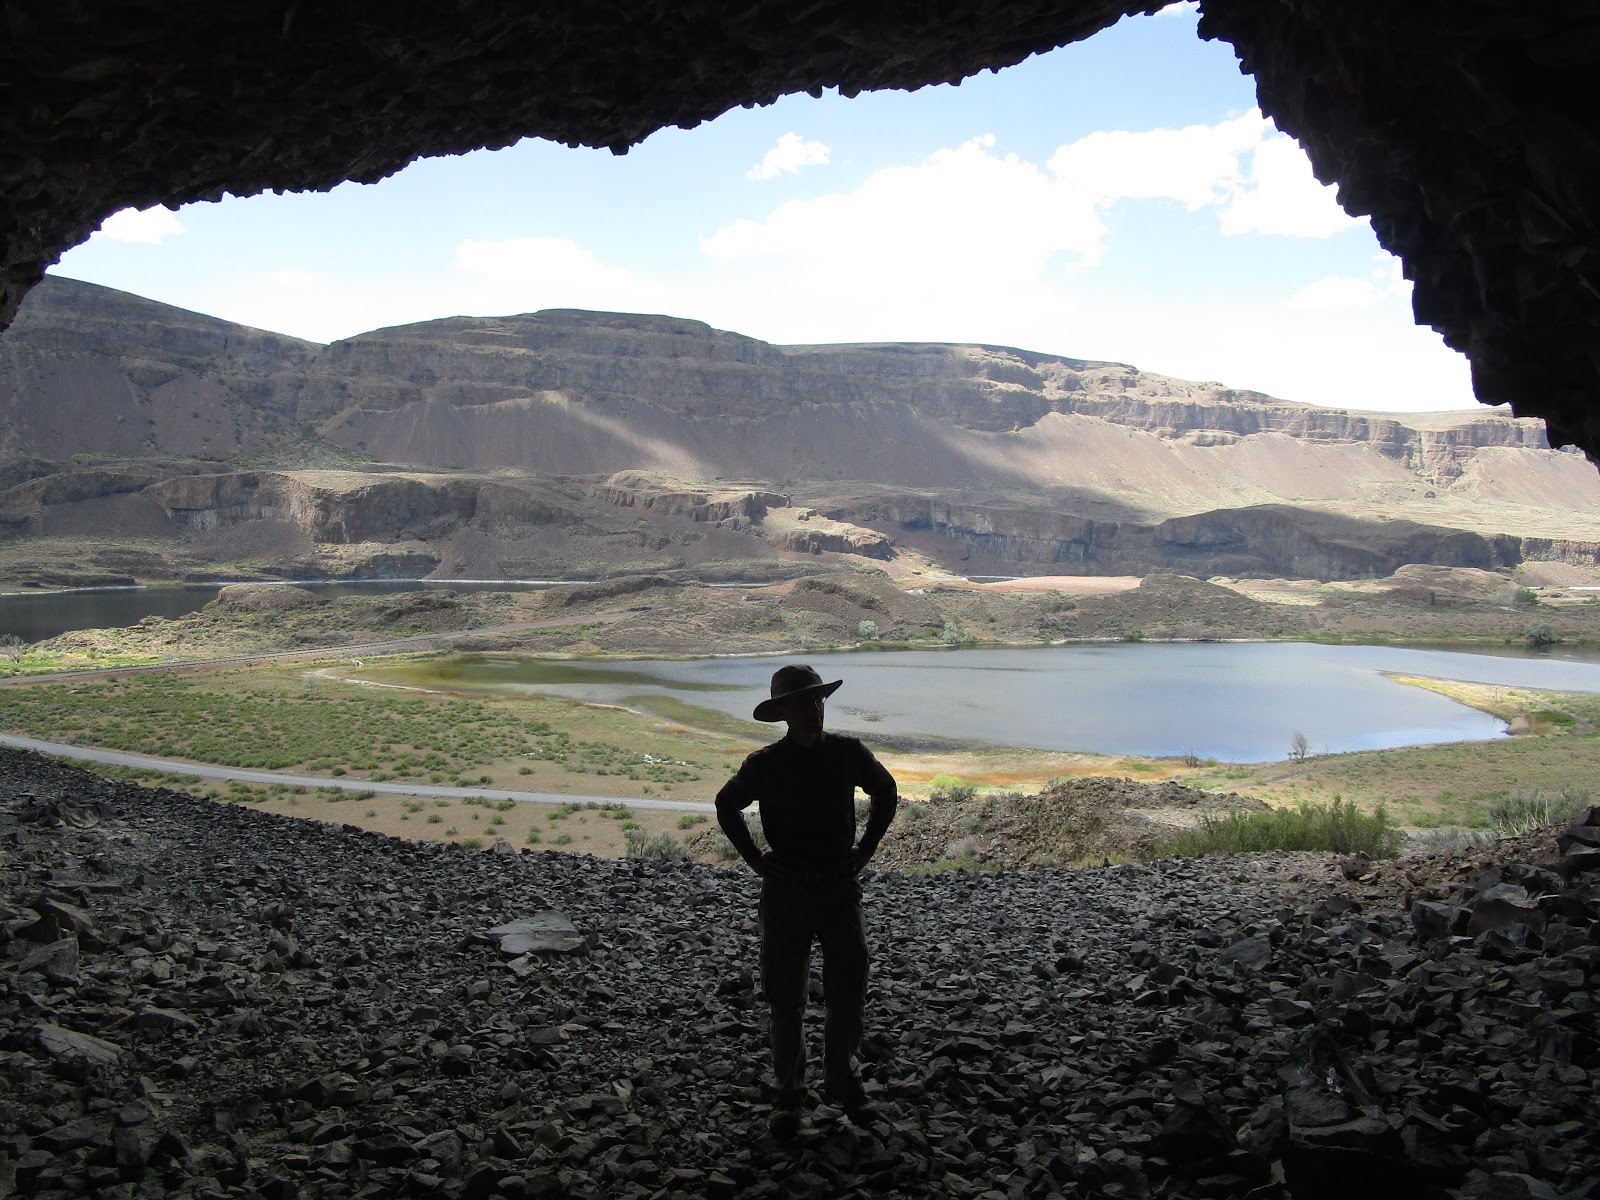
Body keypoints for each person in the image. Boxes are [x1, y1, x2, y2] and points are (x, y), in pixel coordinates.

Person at [715, 663, 898, 1140]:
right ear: (784, 712)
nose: (813, 708)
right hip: (787, 892)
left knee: (848, 990)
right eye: (802, 701)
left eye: (817, 700)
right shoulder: (764, 764)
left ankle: (843, 1080)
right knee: (786, 998)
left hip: (838, 888)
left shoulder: (847, 751)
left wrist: (868, 847)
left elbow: (886, 790)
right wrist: (755, 859)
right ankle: (790, 1092)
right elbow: (725, 804)